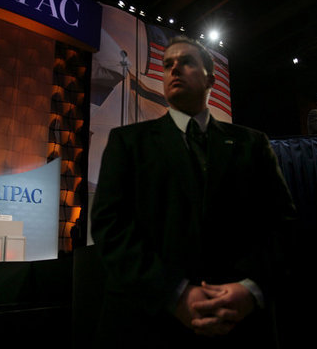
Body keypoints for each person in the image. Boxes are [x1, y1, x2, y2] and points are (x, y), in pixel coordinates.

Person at [91, 36, 296, 348]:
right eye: (168, 64)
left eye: (186, 62)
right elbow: (110, 227)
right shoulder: (128, 142)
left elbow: (281, 225)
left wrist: (250, 289)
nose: (174, 69)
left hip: (241, 324)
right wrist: (173, 293)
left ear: (210, 78)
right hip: (148, 325)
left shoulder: (252, 144)